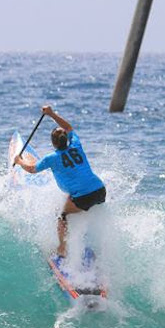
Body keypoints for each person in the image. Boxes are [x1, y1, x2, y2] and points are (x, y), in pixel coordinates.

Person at [13, 105, 106, 260]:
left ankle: (62, 249)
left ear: (54, 143)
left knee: (62, 215)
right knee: (75, 202)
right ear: (66, 140)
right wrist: (51, 114)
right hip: (100, 190)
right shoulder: (76, 144)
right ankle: (91, 241)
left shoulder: (52, 158)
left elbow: (31, 169)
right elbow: (68, 127)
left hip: (84, 196)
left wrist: (19, 161)